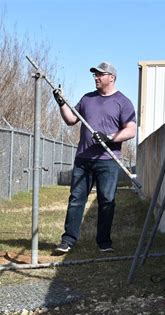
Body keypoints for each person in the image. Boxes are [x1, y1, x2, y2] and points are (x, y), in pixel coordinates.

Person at [52, 62, 136, 254]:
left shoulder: (123, 102)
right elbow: (71, 120)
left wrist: (110, 137)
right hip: (83, 159)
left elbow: (130, 130)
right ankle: (68, 241)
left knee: (107, 200)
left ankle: (104, 242)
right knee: (76, 199)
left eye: (100, 75)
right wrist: (61, 103)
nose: (96, 78)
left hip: (108, 160)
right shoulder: (87, 99)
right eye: (95, 75)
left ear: (111, 78)